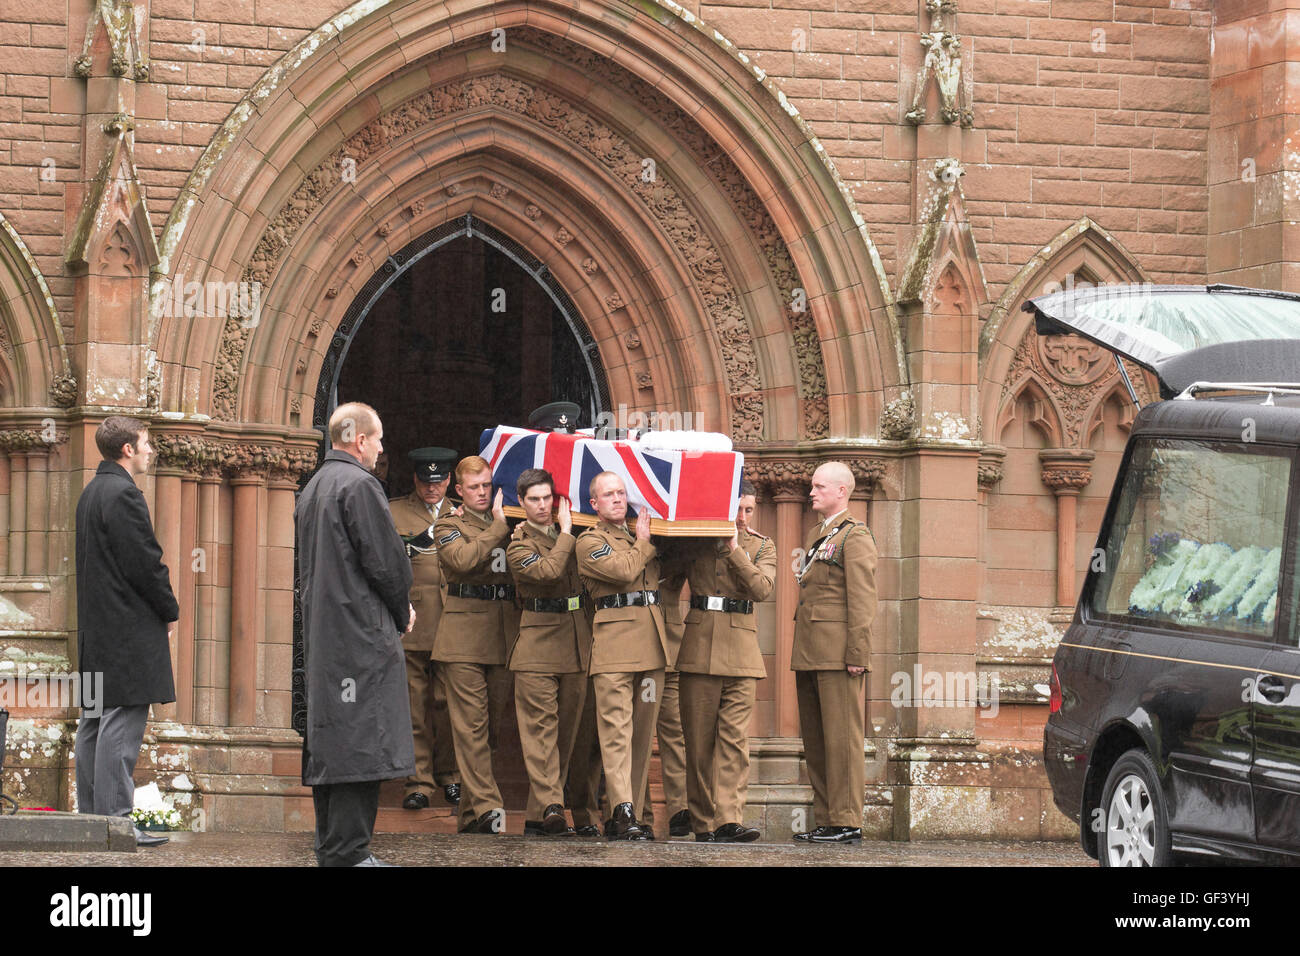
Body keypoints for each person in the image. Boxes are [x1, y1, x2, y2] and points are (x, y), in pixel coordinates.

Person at [297, 402, 415, 867]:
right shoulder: (360, 485)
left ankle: (333, 848)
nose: (382, 448)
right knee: (362, 738)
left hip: (329, 633)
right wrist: (401, 608)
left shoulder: (314, 486)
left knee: (335, 737)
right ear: (359, 439)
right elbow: (386, 563)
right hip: (360, 634)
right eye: (379, 439)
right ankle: (349, 852)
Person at [74, 416, 181, 848]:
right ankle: (115, 823)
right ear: (127, 450)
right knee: (118, 724)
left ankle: (93, 822)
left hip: (99, 630)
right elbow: (145, 563)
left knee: (94, 723)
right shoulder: (123, 494)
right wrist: (169, 609)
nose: (150, 450)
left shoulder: (91, 492)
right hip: (126, 630)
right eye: (146, 443)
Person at [679, 479, 775, 842]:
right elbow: (666, 573)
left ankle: (729, 819)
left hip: (741, 652)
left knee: (734, 741)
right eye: (737, 508)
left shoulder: (763, 545)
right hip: (699, 648)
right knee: (699, 741)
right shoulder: (697, 541)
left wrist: (736, 550)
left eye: (749, 509)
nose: (743, 516)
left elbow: (763, 589)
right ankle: (703, 822)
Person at [577, 471, 670, 840]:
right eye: (608, 494)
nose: (617, 498)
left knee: (641, 736)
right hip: (615, 648)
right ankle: (621, 810)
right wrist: (645, 543)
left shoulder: (638, 535)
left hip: (650, 645)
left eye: (621, 492)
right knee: (616, 732)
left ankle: (631, 809)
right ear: (595, 504)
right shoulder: (590, 541)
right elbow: (623, 571)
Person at [431, 455, 519, 834]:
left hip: (502, 635)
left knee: (490, 732)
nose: (482, 493)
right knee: (471, 727)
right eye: (474, 487)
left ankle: (470, 815)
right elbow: (463, 561)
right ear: (459, 490)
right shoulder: (448, 524)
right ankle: (489, 808)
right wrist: (499, 529)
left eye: (487, 485)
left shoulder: (512, 522)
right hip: (463, 639)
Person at [792, 461, 877, 844]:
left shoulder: (854, 537)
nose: (812, 492)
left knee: (842, 739)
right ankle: (827, 817)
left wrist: (858, 652)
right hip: (811, 651)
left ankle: (847, 820)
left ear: (842, 491)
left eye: (820, 487)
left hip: (839, 654)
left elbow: (862, 599)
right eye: (813, 486)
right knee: (817, 740)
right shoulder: (819, 533)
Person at [506, 468, 591, 837]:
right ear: (521, 503)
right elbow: (550, 572)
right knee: (541, 731)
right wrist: (570, 533)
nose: (543, 506)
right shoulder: (517, 545)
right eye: (535, 499)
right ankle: (553, 807)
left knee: (566, 735)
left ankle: (537, 816)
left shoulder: (569, 532)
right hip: (537, 645)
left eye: (547, 498)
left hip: (575, 642)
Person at [387, 447, 462, 810]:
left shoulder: (463, 512)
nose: (432, 489)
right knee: (415, 707)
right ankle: (418, 782)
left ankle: (451, 776)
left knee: (449, 705)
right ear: (415, 480)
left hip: (456, 623)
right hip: (415, 621)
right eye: (425, 482)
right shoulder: (395, 511)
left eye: (439, 482)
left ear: (449, 481)